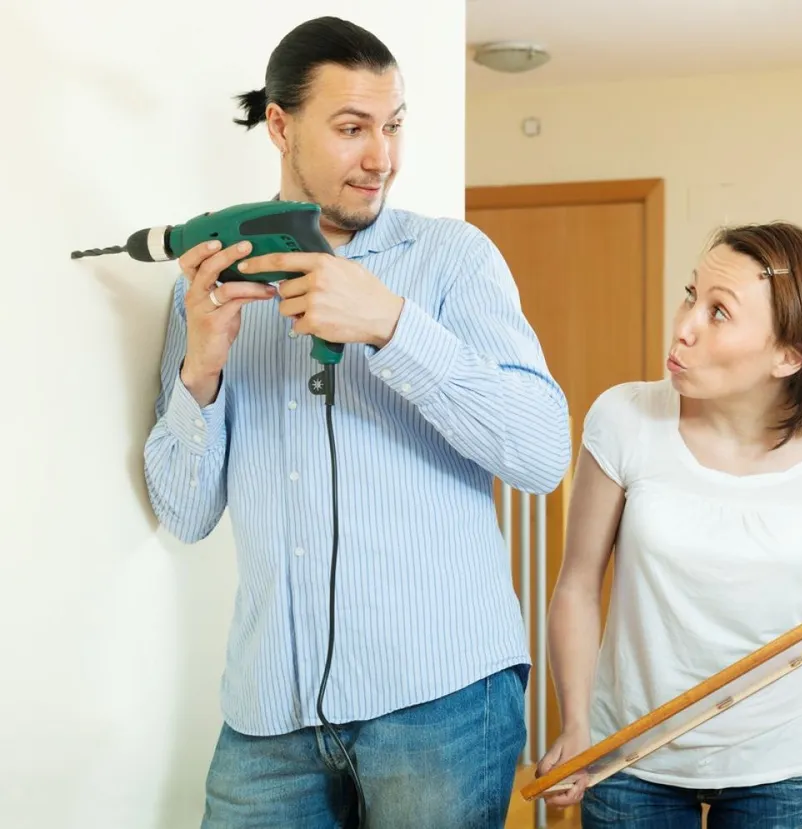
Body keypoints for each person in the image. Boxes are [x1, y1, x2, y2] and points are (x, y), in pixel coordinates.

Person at [142, 15, 571, 829]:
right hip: (270, 711)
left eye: (393, 124)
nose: (383, 156)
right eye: (351, 128)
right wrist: (201, 368)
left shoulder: (453, 260)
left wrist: (393, 326)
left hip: (441, 702)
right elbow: (185, 512)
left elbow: (542, 452)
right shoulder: (212, 285)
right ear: (280, 124)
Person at [535, 221, 802, 828]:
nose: (684, 325)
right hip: (628, 757)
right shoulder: (625, 418)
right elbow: (578, 585)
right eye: (692, 295)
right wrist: (577, 725)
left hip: (780, 761)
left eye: (718, 313)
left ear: (787, 355)